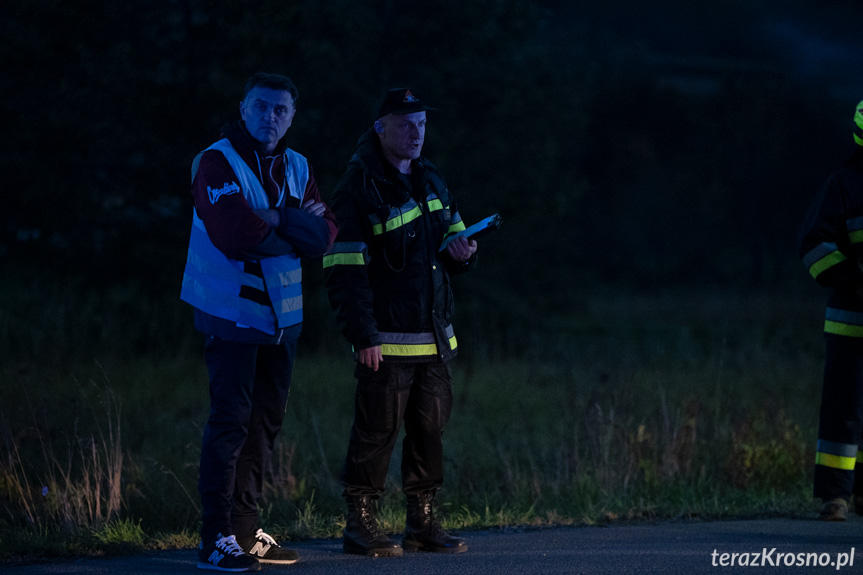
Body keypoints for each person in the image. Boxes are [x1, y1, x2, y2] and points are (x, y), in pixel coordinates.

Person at [180, 72, 337, 571]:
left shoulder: (298, 164)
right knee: (230, 423)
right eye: (261, 106)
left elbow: (326, 236)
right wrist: (293, 226)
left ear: (292, 116)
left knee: (264, 424)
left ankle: (246, 534)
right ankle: (215, 539)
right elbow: (233, 233)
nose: (271, 117)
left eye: (281, 110)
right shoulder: (216, 160)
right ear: (243, 107)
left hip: (282, 320)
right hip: (232, 315)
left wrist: (277, 220)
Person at [323, 87, 477, 557]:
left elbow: (453, 236)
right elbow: (344, 269)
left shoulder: (432, 177)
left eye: (422, 124)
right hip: (385, 342)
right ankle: (360, 525)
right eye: (406, 123)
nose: (416, 132)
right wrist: (362, 335)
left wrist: (464, 253)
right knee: (375, 432)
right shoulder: (358, 186)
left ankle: (422, 522)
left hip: (433, 338)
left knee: (430, 431)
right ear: (380, 128)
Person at [799, 99, 863, 522]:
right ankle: (835, 498)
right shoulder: (844, 183)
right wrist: (855, 280)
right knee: (843, 410)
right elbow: (814, 246)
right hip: (850, 322)